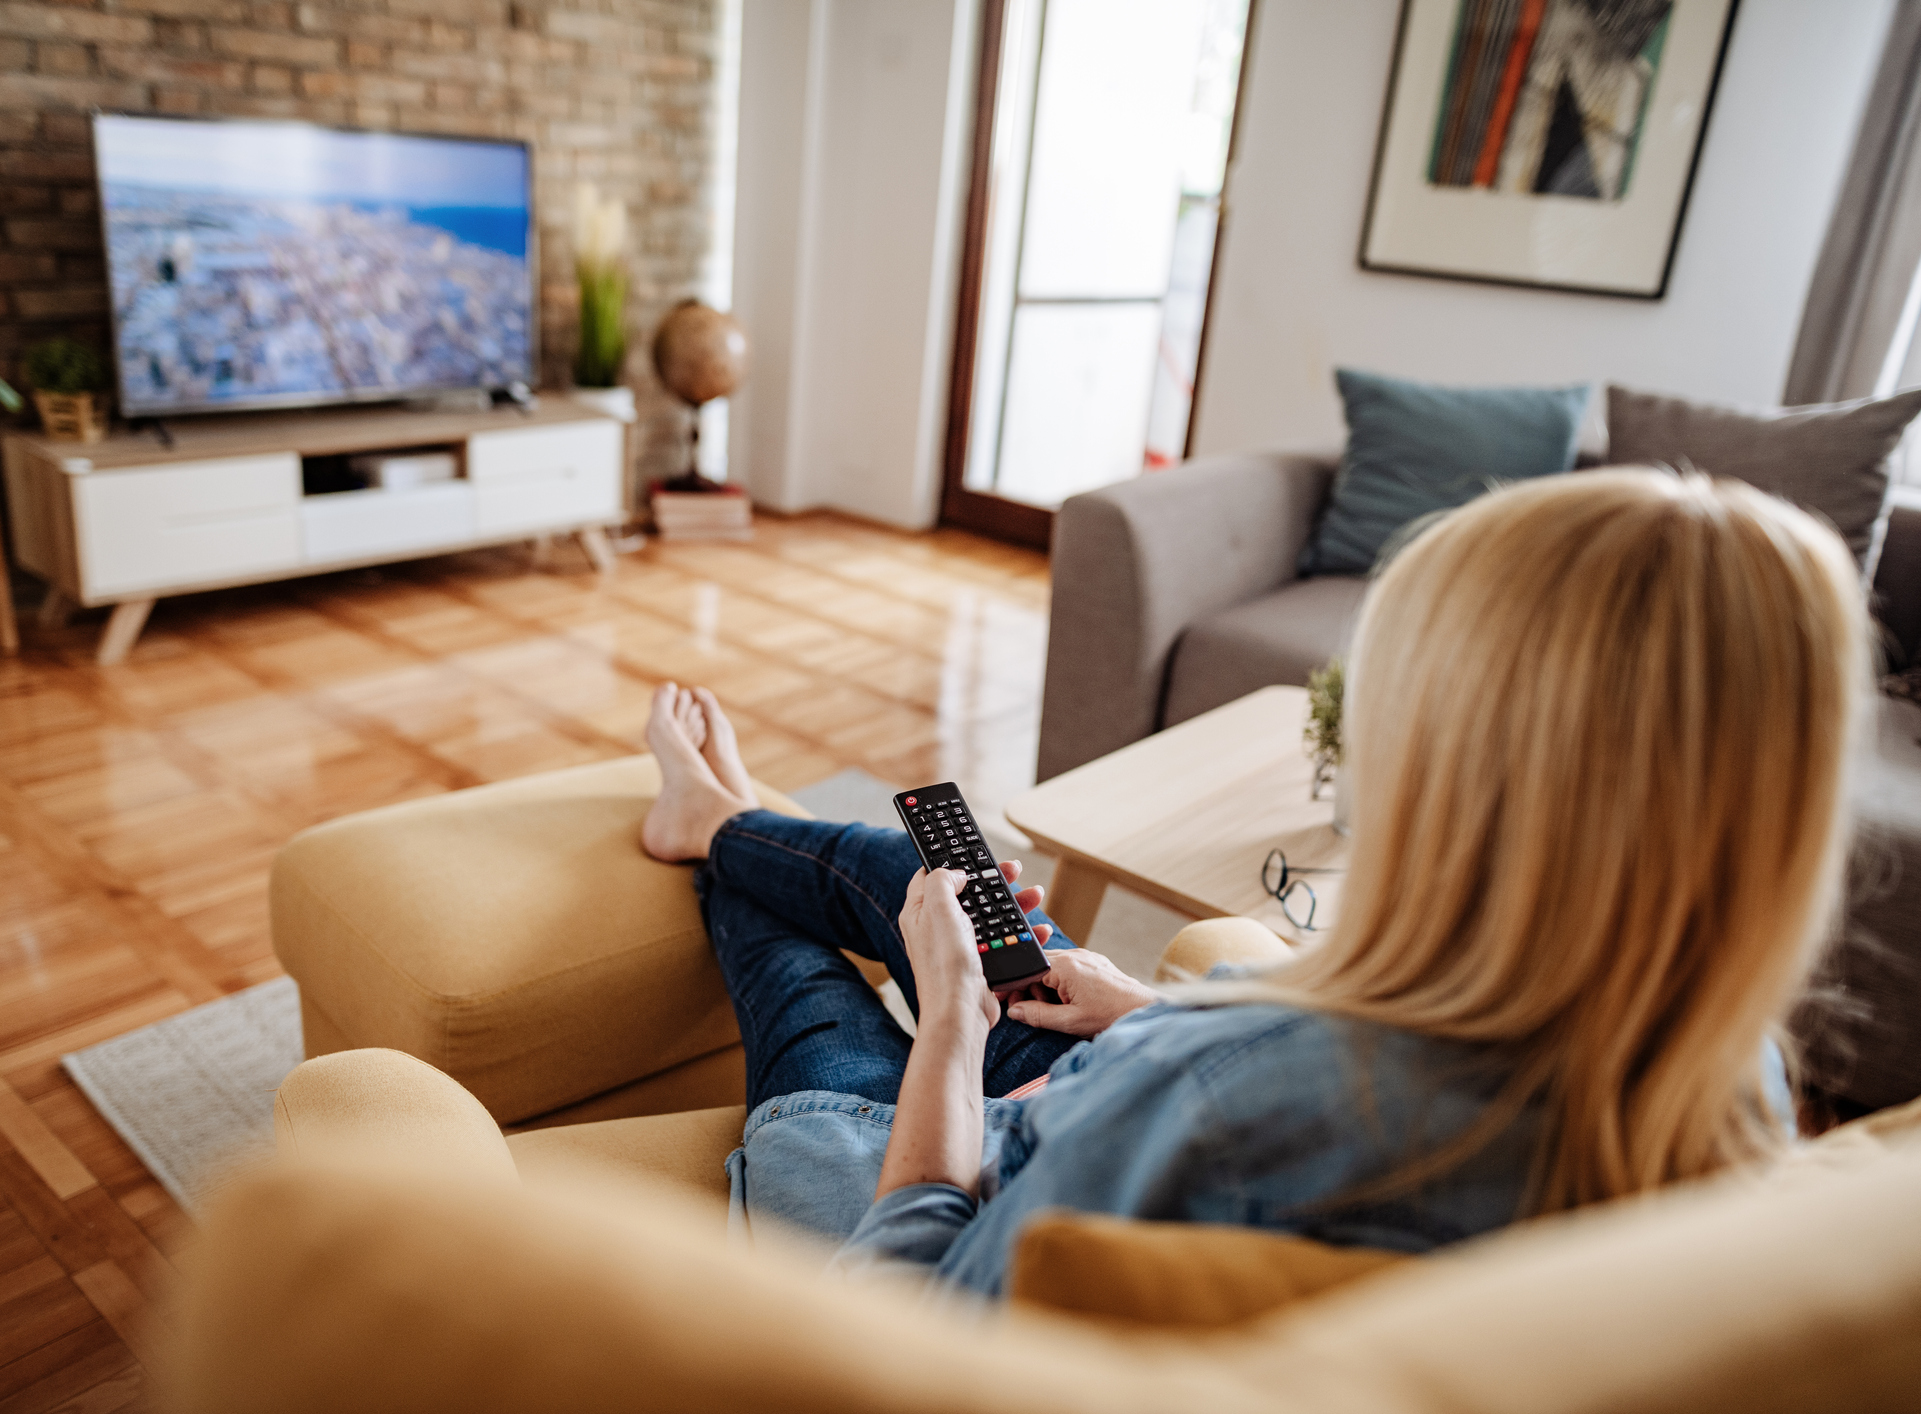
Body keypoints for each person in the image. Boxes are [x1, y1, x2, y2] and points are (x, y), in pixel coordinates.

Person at [637, 469, 1874, 1296]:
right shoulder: (1732, 1080)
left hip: (924, 1176)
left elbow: (911, 1317)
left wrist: (950, 1031)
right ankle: (729, 816)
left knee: (795, 944)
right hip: (1115, 1086)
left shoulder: (1216, 1100)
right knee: (942, 878)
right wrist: (1145, 1009)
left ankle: (714, 838)